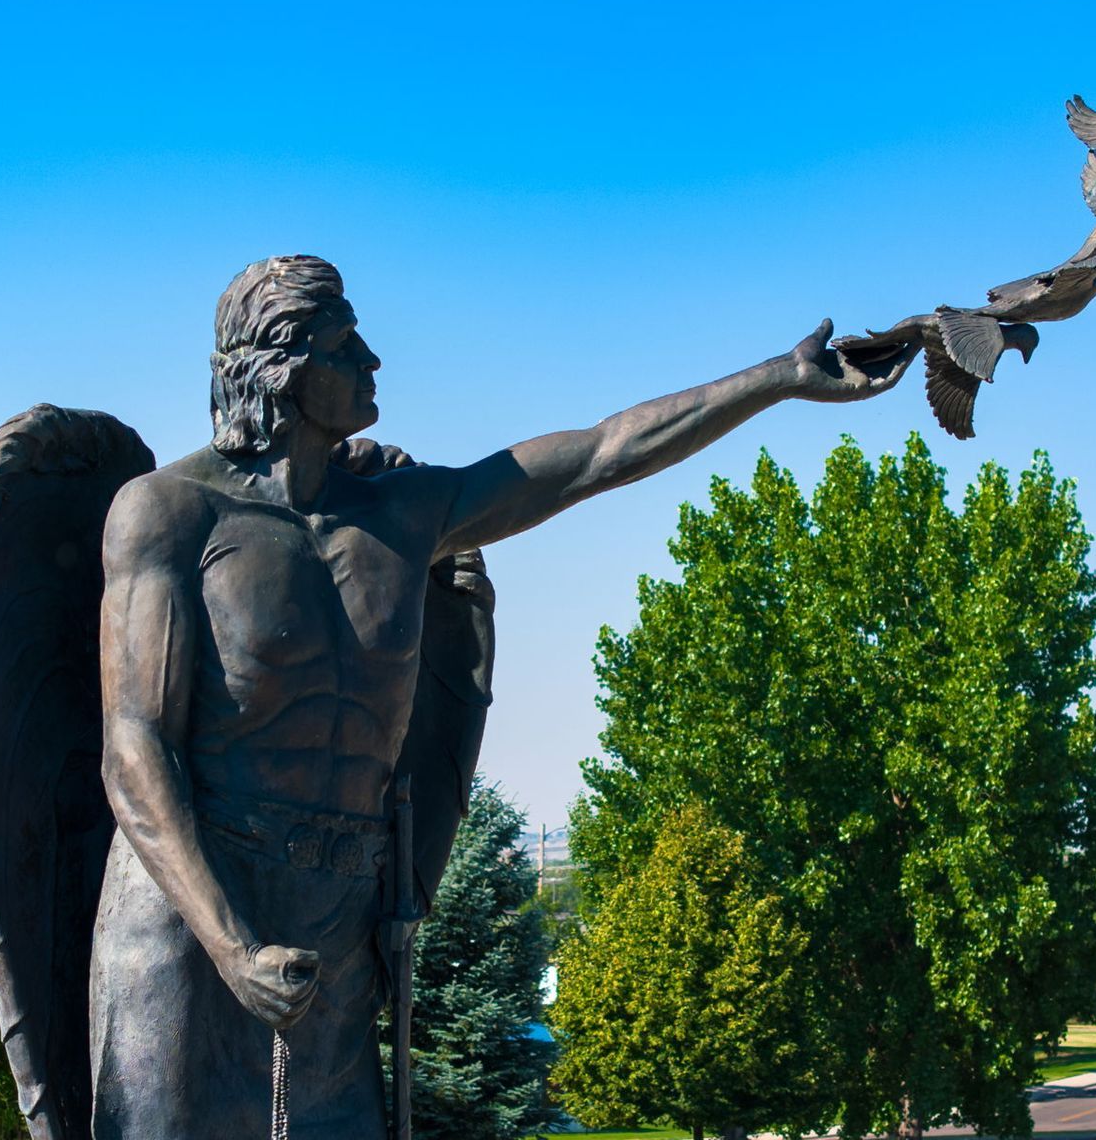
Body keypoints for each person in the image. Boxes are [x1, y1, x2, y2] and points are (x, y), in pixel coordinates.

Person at [86, 254, 908, 1137]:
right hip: (187, 914)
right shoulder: (171, 513)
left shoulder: (406, 515)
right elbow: (135, 748)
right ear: (281, 367)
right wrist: (232, 945)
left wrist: (780, 379)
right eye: (345, 343)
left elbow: (600, 453)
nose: (372, 361)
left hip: (335, 913)